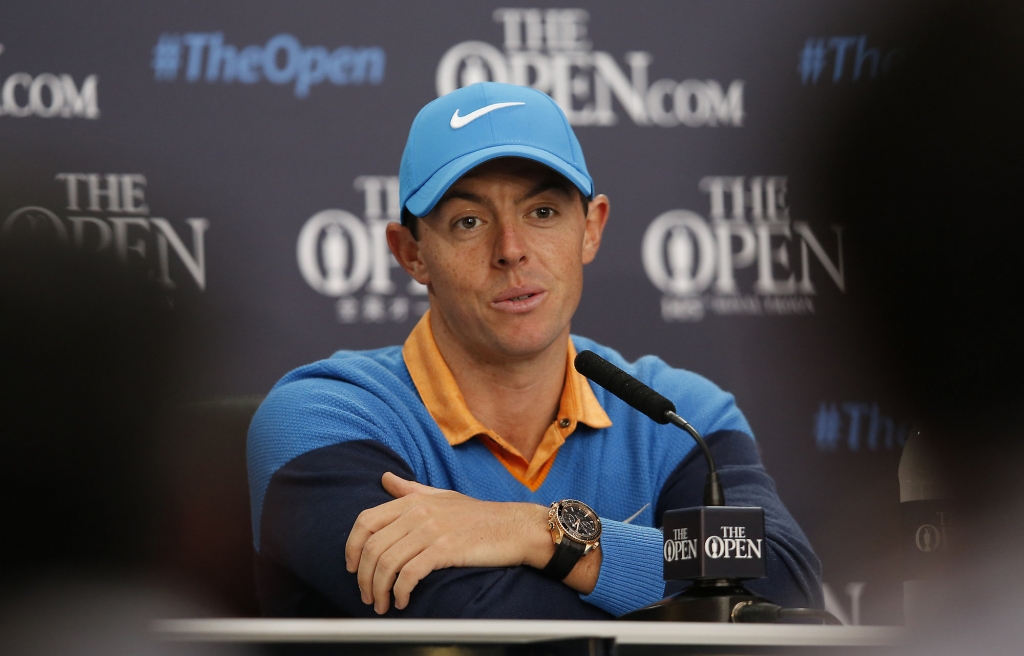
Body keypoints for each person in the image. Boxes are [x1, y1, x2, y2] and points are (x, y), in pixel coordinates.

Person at [247, 81, 822, 619]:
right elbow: (464, 616)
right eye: (468, 221)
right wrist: (682, 603)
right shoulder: (322, 418)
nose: (512, 250)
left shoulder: (679, 416)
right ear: (412, 254)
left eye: (542, 212)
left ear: (590, 228)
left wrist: (536, 532)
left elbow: (780, 584)